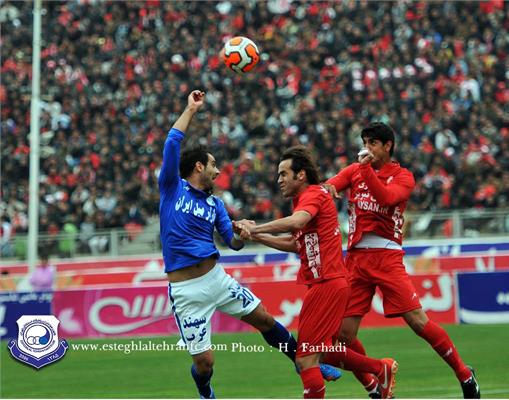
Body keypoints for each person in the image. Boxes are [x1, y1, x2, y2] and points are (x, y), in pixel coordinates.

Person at [158, 90, 340, 399]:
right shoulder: (172, 188)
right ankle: (204, 389)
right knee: (205, 363)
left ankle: (304, 363)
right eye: (213, 165)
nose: (218, 170)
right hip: (186, 292)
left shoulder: (216, 205)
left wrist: (244, 233)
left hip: (217, 280)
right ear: (199, 167)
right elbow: (172, 142)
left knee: (266, 320)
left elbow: (233, 243)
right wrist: (190, 109)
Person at [323, 122, 481, 398]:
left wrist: (363, 170)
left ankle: (465, 375)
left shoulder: (403, 176)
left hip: (387, 256)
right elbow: (330, 185)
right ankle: (375, 387)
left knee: (418, 323)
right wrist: (326, 190)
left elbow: (385, 199)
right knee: (342, 336)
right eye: (365, 142)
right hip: (357, 259)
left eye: (373, 143)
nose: (367, 148)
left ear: (388, 146)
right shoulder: (355, 171)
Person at [238, 146, 398, 399]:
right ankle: (380, 370)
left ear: (300, 175)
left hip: (327, 283)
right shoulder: (305, 199)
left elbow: (296, 222)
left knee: (306, 358)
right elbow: (295, 243)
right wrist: (258, 238)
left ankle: (380, 369)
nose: (278, 179)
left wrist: (255, 229)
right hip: (327, 283)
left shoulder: (312, 195)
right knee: (320, 351)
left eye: (283, 174)